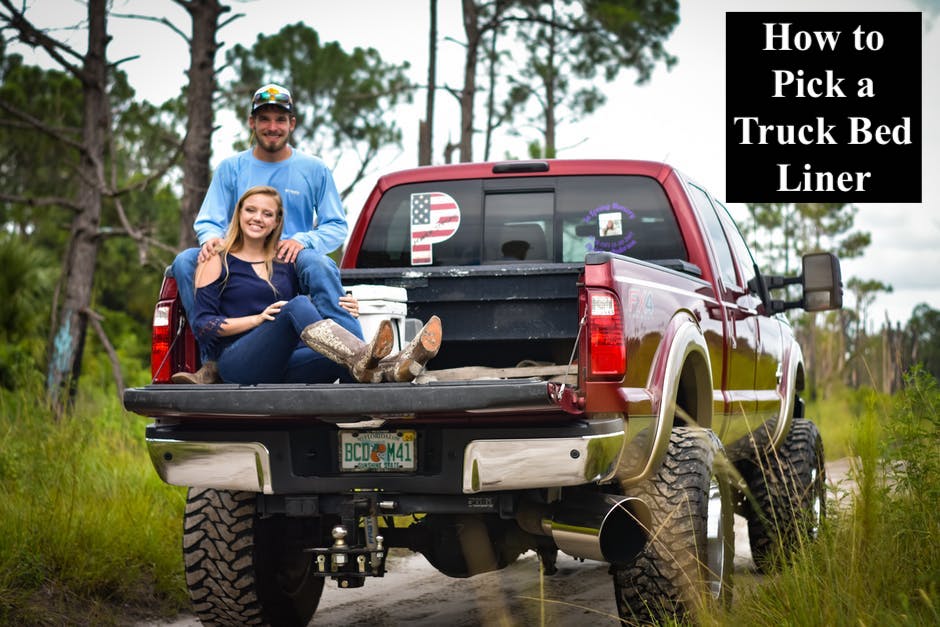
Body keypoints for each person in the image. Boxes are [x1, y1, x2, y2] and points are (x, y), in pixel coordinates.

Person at [171, 82, 358, 383]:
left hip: (291, 260)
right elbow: (208, 221)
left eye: (280, 119)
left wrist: (303, 240)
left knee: (319, 264)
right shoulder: (231, 168)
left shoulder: (314, 169)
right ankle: (212, 361)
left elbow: (336, 226)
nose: (273, 126)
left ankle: (358, 361)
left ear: (291, 124)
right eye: (265, 119)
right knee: (185, 260)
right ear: (252, 122)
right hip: (242, 258)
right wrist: (213, 242)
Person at [190, 185, 442, 384]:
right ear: (239, 214)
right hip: (239, 363)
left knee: (339, 355)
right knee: (295, 306)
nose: (258, 218)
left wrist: (343, 306)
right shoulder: (217, 258)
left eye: (267, 214)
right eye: (251, 210)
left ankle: (387, 368)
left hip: (286, 364)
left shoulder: (285, 262)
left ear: (277, 222)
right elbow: (202, 324)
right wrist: (257, 319)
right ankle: (381, 360)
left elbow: (308, 318)